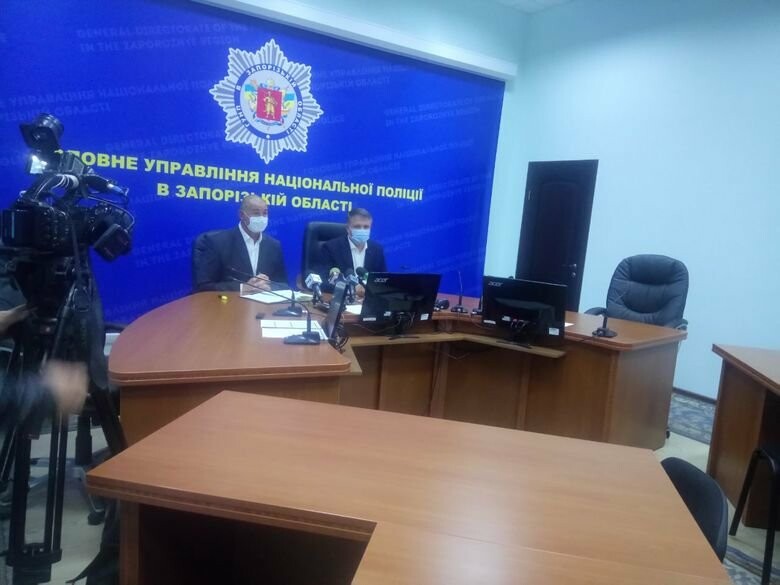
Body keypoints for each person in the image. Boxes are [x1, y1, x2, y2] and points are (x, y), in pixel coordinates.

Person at [192, 195, 288, 292]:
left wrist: (269, 286)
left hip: (264, 301)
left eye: (265, 213)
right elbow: (204, 286)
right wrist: (243, 288)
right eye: (256, 213)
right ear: (242, 215)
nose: (262, 218)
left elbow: (283, 285)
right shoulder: (216, 242)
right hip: (229, 301)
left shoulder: (274, 245)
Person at [319, 208, 387, 296]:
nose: (362, 230)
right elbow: (323, 281)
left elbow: (382, 281)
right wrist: (350, 289)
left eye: (366, 227)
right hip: (342, 299)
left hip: (367, 300)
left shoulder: (377, 249)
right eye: (357, 227)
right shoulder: (331, 248)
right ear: (348, 228)